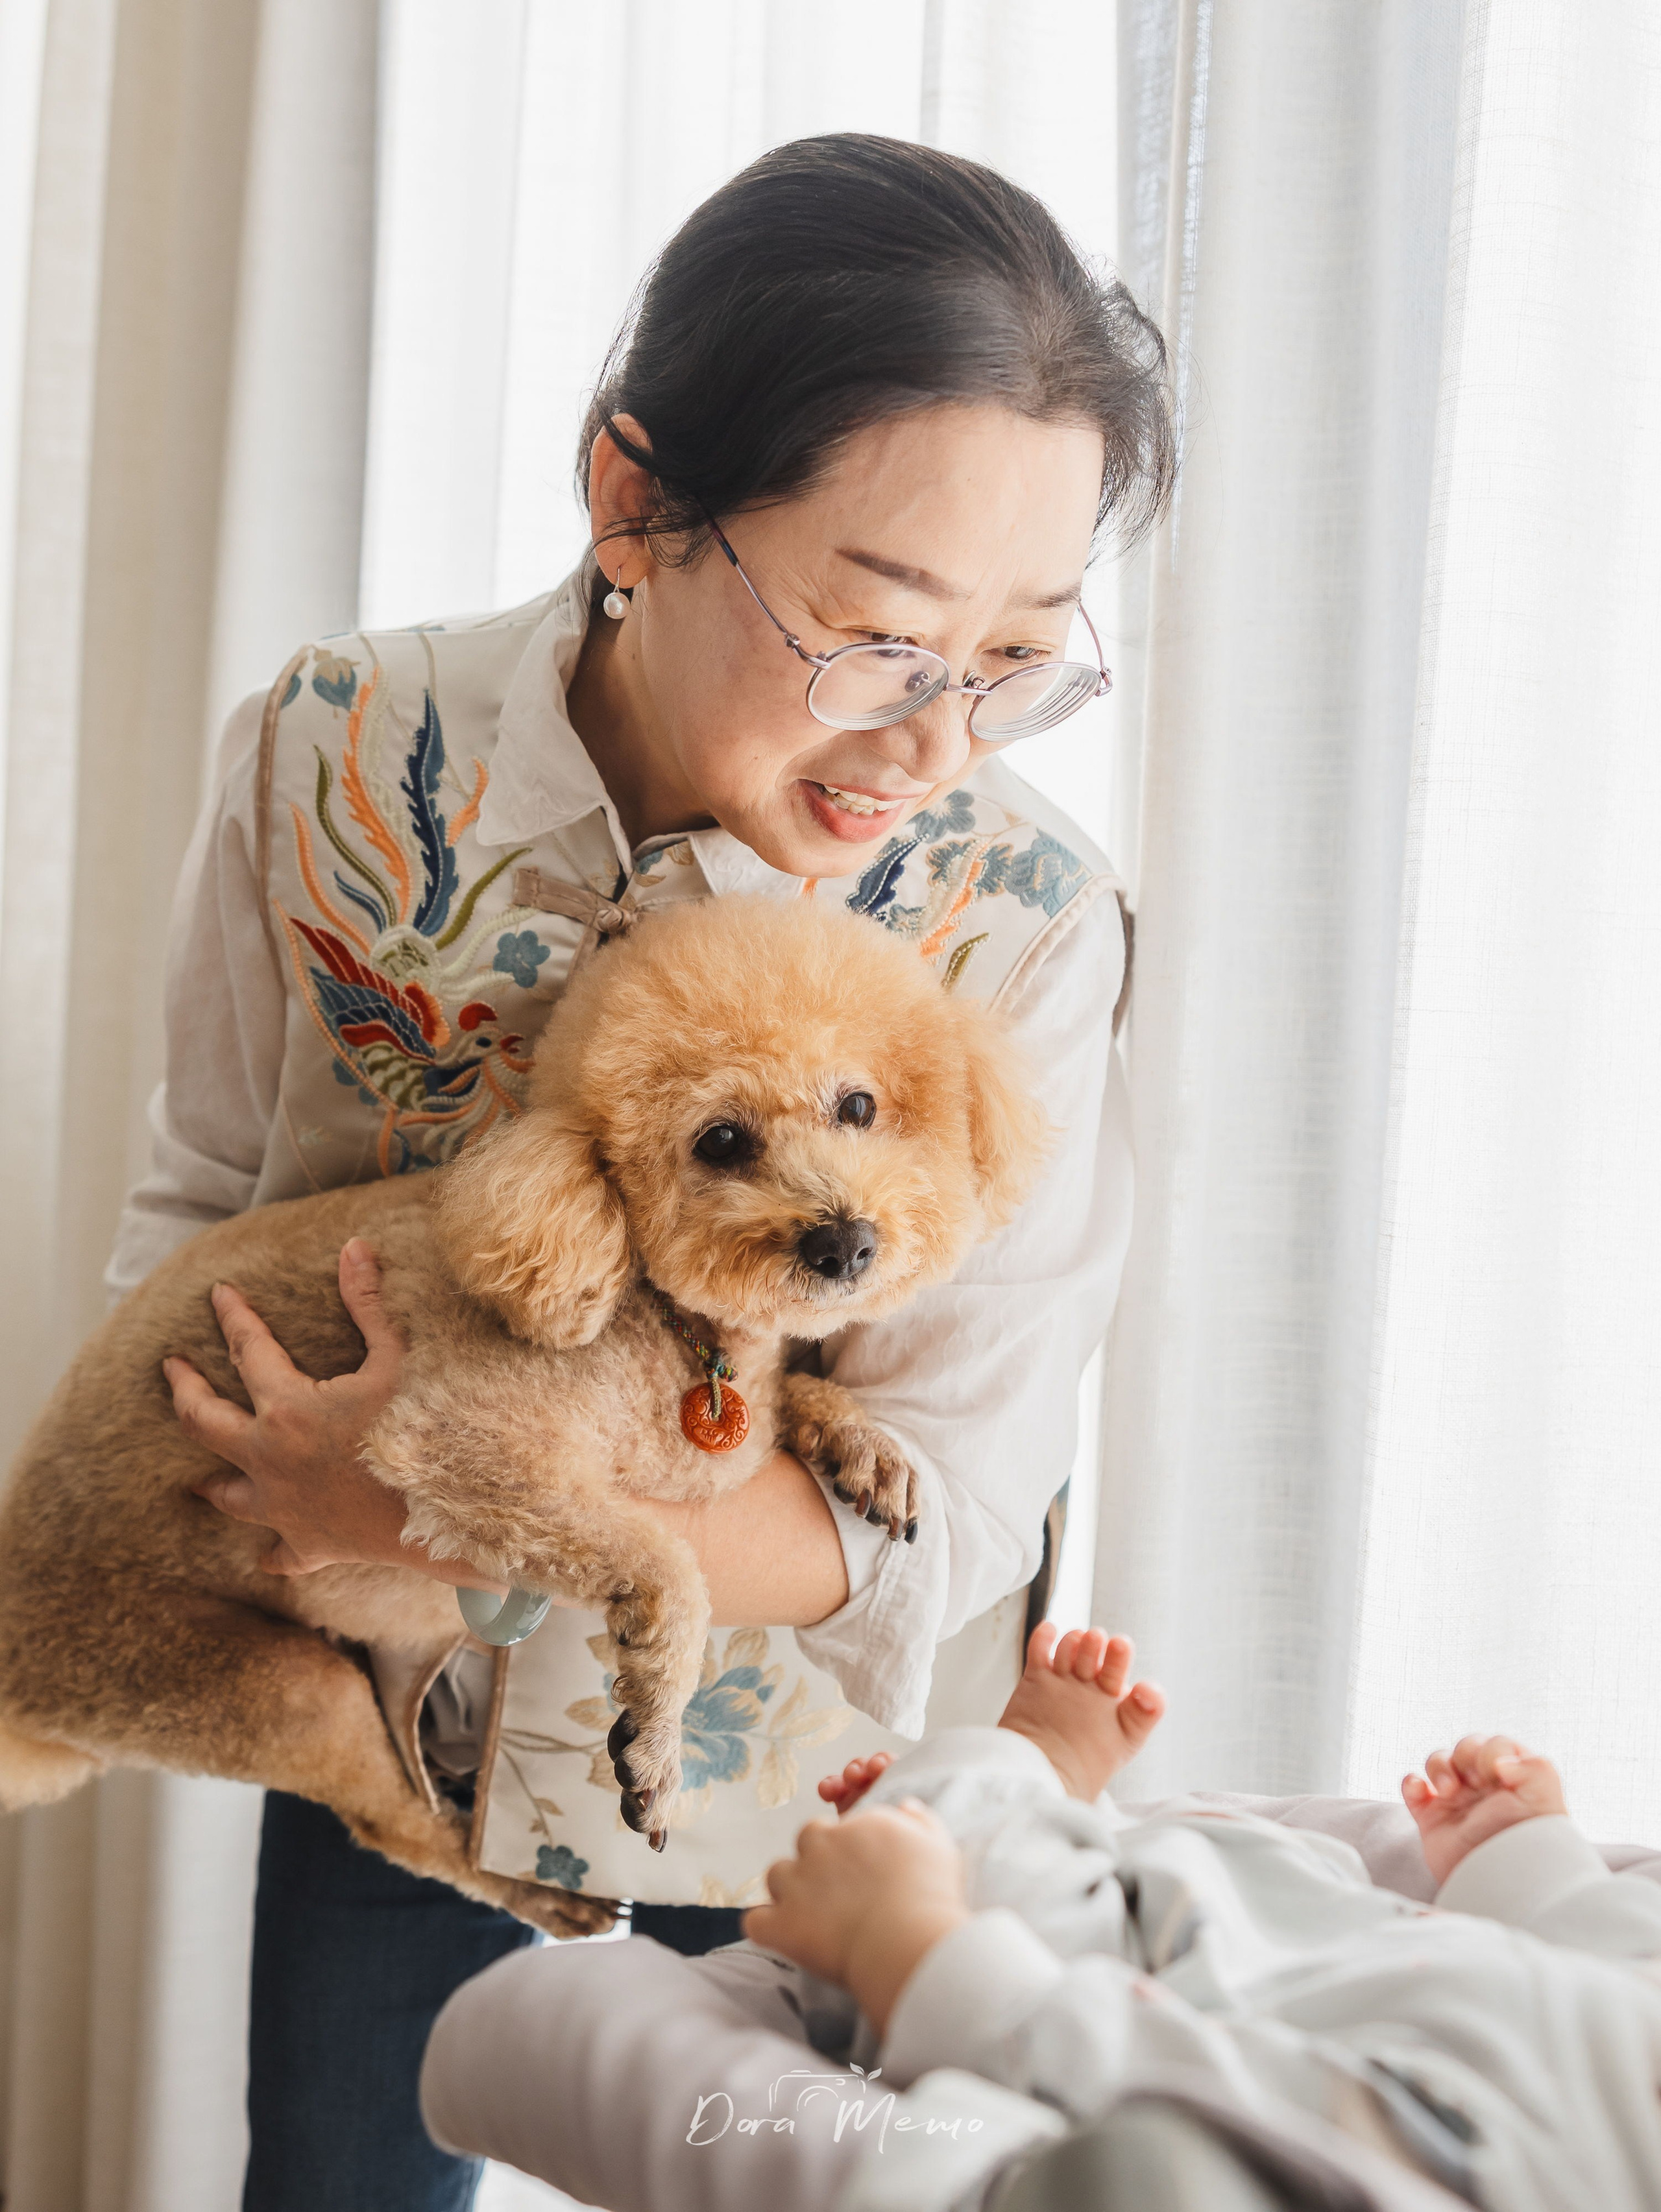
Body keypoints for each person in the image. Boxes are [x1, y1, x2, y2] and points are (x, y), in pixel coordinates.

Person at [108, 134, 1176, 2209]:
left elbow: (941, 1506)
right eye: (877, 634)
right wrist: (258, 1533)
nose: (936, 742)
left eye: (1018, 655)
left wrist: (425, 1486)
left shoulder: (1027, 924)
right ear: (636, 503)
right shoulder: (333, 751)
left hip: (811, 1815)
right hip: (385, 1751)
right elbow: (198, 1217)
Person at [420, 1623, 1661, 2212]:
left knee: (999, 1888)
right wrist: (1524, 1857)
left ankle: (978, 1819)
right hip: (1333, 1912)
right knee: (1103, 1870)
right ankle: (996, 1819)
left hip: (1186, 1997)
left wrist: (924, 1956)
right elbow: (1608, 1933)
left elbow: (1120, 2073)